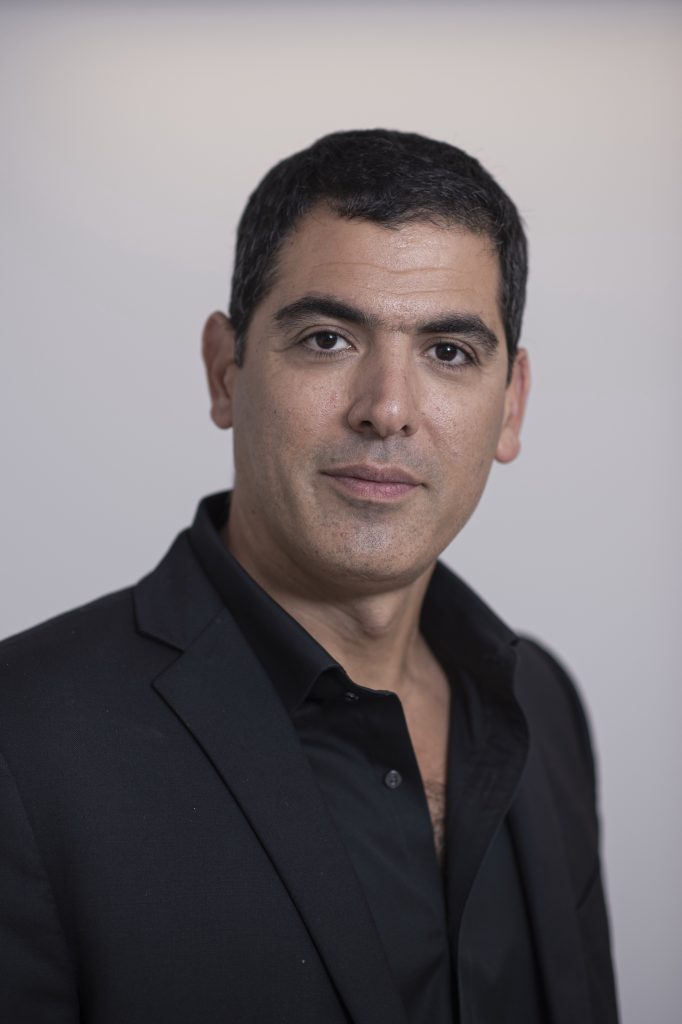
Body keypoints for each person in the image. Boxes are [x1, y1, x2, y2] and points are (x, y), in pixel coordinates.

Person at [0, 129, 618, 1024]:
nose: (388, 410)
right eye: (328, 339)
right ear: (225, 370)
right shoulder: (21, 740)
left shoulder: (543, 701)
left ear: (511, 404)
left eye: (448, 351)